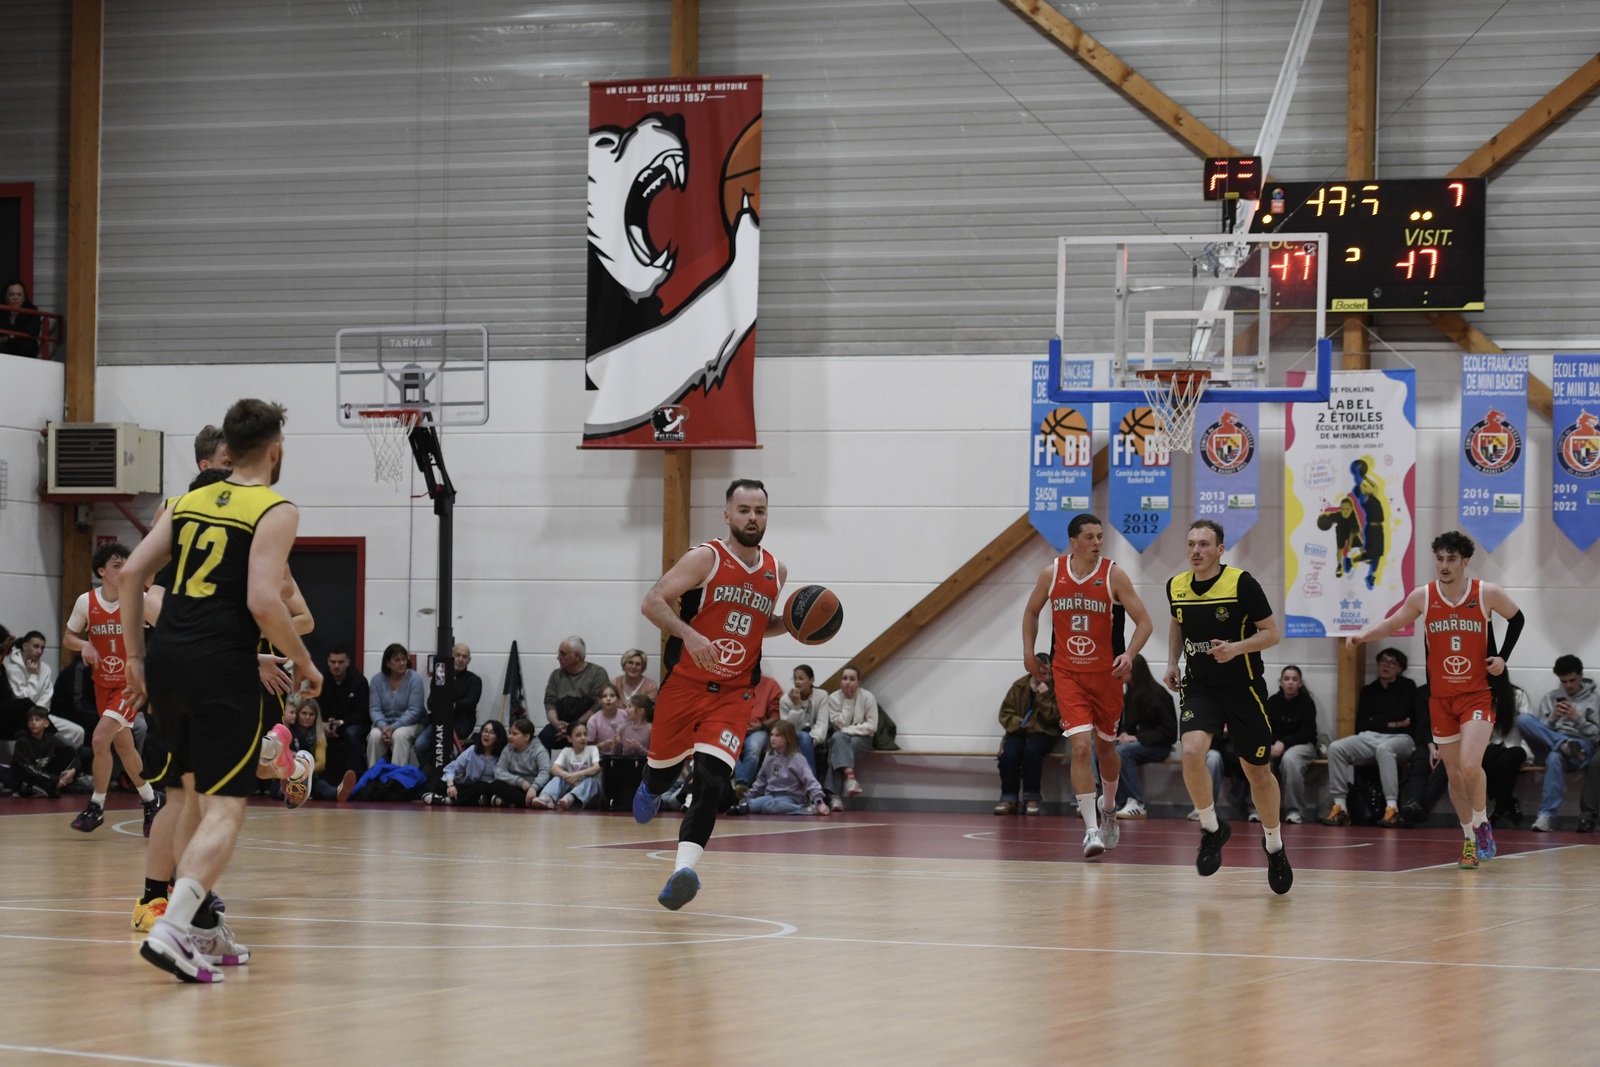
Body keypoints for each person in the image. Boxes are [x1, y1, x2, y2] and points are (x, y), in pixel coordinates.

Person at [120, 398, 323, 982]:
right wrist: (303, 661)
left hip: (167, 662)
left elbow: (131, 574)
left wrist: (135, 657)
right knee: (227, 808)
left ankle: (202, 925)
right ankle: (173, 927)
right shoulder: (275, 508)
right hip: (220, 667)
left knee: (188, 795)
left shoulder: (183, 503)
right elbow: (264, 600)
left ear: (226, 450)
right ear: (276, 450)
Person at [632, 478, 789, 910]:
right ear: (727, 515)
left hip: (734, 694)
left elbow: (760, 624)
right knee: (663, 775)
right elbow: (652, 602)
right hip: (685, 686)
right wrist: (689, 634)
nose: (752, 518)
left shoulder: (776, 569)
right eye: (744, 510)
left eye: (759, 510)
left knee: (712, 780)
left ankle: (684, 871)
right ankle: (650, 785)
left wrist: (794, 624)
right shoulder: (706, 558)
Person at [1347, 530, 1523, 869]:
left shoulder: (1486, 593)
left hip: (1478, 695)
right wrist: (1363, 635)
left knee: (1470, 766)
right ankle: (1469, 839)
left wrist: (1502, 657)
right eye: (1439, 558)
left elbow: (1517, 619)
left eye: (1451, 559)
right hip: (1441, 699)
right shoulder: (1423, 597)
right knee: (1454, 775)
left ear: (1465, 562)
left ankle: (1482, 822)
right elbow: (1393, 623)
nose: (1444, 565)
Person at [1164, 519, 1292, 894]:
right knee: (1191, 751)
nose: (1196, 550)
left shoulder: (1241, 583)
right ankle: (1211, 828)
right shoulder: (1176, 585)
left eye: (1204, 544)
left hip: (1243, 688)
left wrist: (1235, 648)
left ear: (1220, 550)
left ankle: (1274, 846)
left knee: (1258, 773)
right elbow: (1177, 624)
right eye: (1191, 543)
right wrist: (1172, 662)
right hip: (1200, 686)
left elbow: (1272, 633)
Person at [1022, 512, 1154, 858]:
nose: (1097, 542)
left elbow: (1144, 622)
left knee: (1106, 749)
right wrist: (1028, 652)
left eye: (1100, 537)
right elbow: (1031, 611)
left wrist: (1129, 654)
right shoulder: (1052, 574)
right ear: (1073, 542)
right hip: (1068, 673)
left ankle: (1108, 808)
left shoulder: (1114, 575)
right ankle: (1091, 830)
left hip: (1106, 676)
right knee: (1080, 748)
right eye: (1090, 537)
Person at [62, 541, 164, 834]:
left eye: (127, 565)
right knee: (123, 745)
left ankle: (96, 805)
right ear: (101, 571)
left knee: (99, 739)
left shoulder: (140, 599)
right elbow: (68, 637)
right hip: (102, 684)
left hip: (129, 685)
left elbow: (170, 628)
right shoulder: (86, 601)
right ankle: (151, 799)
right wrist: (84, 645)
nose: (124, 570)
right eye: (117, 565)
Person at [1321, 648, 1419, 828]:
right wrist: (1393, 723)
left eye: (1392, 663)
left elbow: (1404, 714)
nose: (1386, 665)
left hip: (1401, 738)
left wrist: (1382, 722)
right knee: (1336, 747)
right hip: (1371, 736)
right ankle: (1340, 807)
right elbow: (1363, 723)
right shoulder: (1369, 690)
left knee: (1384, 749)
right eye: (1383, 661)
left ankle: (1392, 808)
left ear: (1400, 668)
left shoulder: (1408, 686)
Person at [1518, 654, 1600, 831]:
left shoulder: (1594, 700)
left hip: (1581, 749)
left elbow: (1597, 737)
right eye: (1564, 681)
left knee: (1555, 757)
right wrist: (1552, 719)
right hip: (1552, 742)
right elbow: (1538, 731)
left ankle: (1546, 815)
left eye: (1572, 680)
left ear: (1581, 676)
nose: (1568, 685)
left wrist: (1577, 719)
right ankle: (1562, 743)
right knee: (1523, 719)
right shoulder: (1550, 698)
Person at [1109, 654, 1177, 819]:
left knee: (1122, 752)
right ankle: (1119, 801)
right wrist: (1125, 733)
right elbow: (1130, 724)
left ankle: (1136, 802)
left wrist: (1137, 738)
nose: (1119, 672)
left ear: (1135, 670)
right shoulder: (1131, 693)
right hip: (1141, 744)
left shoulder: (1158, 694)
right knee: (1105, 750)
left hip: (1159, 746)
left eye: (1123, 668)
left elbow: (1169, 733)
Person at [994, 654, 1062, 816]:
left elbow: (1054, 718)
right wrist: (1019, 723)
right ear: (1033, 671)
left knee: (1032, 751)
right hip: (1019, 731)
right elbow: (1005, 713)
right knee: (1009, 753)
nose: (1047, 677)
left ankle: (1032, 797)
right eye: (1043, 673)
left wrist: (1044, 697)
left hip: (1044, 732)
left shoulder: (1056, 688)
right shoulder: (1019, 687)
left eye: (1050, 673)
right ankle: (1008, 798)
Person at [5, 631, 86, 750]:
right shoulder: (12, 669)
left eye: (42, 648)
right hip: (23, 718)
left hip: (43, 715)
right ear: (25, 646)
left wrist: (41, 717)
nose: (39, 651)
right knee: (37, 732)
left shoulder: (45, 668)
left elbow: (46, 697)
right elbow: (24, 701)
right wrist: (33, 675)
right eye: (36, 646)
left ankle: (68, 760)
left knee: (77, 732)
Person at [1265, 665, 1319, 824]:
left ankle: (1295, 811)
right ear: (1281, 682)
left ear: (1300, 683)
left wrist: (1284, 743)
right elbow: (1266, 728)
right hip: (1275, 744)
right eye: (1287, 679)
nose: (1290, 682)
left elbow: (1307, 732)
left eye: (1294, 679)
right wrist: (1275, 742)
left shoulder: (1307, 703)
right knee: (1260, 759)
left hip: (1302, 744)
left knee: (1290, 759)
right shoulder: (1272, 702)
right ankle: (1259, 810)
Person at [415, 643, 484, 765]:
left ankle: (447, 770)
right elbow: (430, 702)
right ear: (451, 657)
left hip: (462, 722)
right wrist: (442, 705)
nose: (460, 659)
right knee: (420, 745)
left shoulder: (474, 680)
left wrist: (453, 705)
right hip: (439, 720)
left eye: (464, 656)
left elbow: (471, 702)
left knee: (443, 745)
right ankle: (428, 772)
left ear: (469, 660)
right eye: (457, 655)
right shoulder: (440, 677)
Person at [743, 720, 829, 815]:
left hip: (792, 797)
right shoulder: (769, 756)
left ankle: (805, 808)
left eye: (777, 736)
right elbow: (761, 781)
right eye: (771, 735)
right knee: (750, 805)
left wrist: (819, 801)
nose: (773, 738)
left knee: (769, 806)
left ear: (787, 738)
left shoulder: (797, 758)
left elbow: (810, 780)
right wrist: (747, 797)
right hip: (772, 795)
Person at [540, 636, 611, 750]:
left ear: (577, 656)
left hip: (587, 724)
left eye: (563, 654)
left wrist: (574, 726)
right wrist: (556, 723)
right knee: (544, 737)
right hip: (561, 724)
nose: (558, 657)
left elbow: (598, 704)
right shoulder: (556, 675)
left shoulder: (597, 673)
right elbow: (549, 701)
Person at [367, 643, 426, 768]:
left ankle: (397, 776)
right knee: (374, 736)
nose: (402, 663)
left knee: (399, 735)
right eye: (397, 660)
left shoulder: (414, 679)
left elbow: (415, 711)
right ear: (387, 663)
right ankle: (373, 775)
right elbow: (374, 709)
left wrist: (393, 727)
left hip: (411, 724)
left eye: (404, 659)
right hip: (384, 724)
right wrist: (383, 727)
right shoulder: (377, 680)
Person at [826, 666, 877, 808]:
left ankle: (834, 796)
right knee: (838, 741)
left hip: (863, 738)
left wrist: (847, 730)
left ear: (858, 682)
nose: (847, 682)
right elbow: (839, 723)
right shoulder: (833, 698)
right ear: (840, 681)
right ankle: (850, 779)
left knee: (838, 750)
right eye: (844, 678)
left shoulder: (867, 697)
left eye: (852, 679)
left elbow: (872, 726)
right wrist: (848, 701)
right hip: (840, 738)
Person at [426, 720, 508, 806]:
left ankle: (447, 800)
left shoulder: (503, 755)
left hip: (487, 788)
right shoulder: (472, 750)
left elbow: (505, 777)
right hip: (469, 787)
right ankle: (473, 801)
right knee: (439, 784)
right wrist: (450, 786)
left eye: (491, 733)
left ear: (498, 737)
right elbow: (452, 768)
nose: (486, 735)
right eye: (485, 731)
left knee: (483, 786)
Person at [320, 646, 370, 781]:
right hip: (327, 723)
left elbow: (363, 713)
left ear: (347, 662)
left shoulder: (360, 682)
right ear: (328, 662)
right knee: (311, 729)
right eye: (333, 662)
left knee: (351, 733)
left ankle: (354, 777)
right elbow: (314, 707)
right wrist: (323, 724)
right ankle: (313, 777)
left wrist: (342, 722)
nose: (336, 666)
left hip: (353, 724)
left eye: (340, 662)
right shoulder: (320, 680)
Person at [8, 706, 80, 797]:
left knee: (69, 751)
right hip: (26, 777)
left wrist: (74, 769)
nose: (33, 723)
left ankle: (59, 784)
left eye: (37, 719)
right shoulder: (22, 742)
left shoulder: (51, 738)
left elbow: (72, 752)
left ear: (46, 723)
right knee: (54, 793)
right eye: (30, 720)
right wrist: (54, 779)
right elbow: (29, 768)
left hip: (43, 774)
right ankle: (58, 785)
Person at [732, 669, 784, 788]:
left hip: (758, 729)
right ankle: (742, 785)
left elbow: (776, 717)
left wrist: (760, 725)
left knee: (754, 749)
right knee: (727, 747)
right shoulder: (732, 683)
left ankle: (740, 785)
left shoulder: (770, 685)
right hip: (734, 728)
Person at [536, 720, 604, 810]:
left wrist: (579, 774)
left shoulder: (592, 749)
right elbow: (554, 768)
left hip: (589, 791)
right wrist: (567, 775)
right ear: (569, 739)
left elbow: (597, 767)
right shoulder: (566, 751)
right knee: (558, 778)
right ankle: (546, 797)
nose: (583, 738)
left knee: (591, 780)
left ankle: (571, 798)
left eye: (585, 734)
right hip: (571, 783)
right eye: (578, 735)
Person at [486, 717, 552, 807]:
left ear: (526, 737)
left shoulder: (539, 750)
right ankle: (519, 803)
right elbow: (499, 771)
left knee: (545, 790)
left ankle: (507, 801)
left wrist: (534, 787)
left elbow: (545, 773)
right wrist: (520, 782)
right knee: (494, 784)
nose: (510, 736)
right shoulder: (508, 748)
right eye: (510, 733)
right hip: (515, 786)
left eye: (514, 734)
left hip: (534, 788)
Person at [779, 664, 829, 776]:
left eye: (801, 678)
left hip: (814, 736)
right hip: (793, 735)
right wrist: (796, 706)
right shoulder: (785, 699)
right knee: (805, 737)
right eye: (795, 678)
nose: (797, 682)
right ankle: (810, 780)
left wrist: (815, 739)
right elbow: (787, 727)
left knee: (807, 739)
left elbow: (822, 723)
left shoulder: (822, 695)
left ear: (812, 680)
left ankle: (807, 780)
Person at [1, 279, 42, 358]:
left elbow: (33, 330)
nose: (15, 298)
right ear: (5, 297)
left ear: (24, 298)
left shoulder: (32, 312)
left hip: (25, 354)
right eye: (11, 294)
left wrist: (8, 337)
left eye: (19, 294)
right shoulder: (1, 311)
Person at [585, 683, 629, 750]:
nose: (608, 699)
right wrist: (602, 745)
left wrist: (623, 740)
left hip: (623, 754)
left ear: (618, 699)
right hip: (601, 755)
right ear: (599, 700)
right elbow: (588, 748)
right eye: (604, 696)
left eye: (612, 696)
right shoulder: (593, 720)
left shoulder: (625, 715)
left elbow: (633, 736)